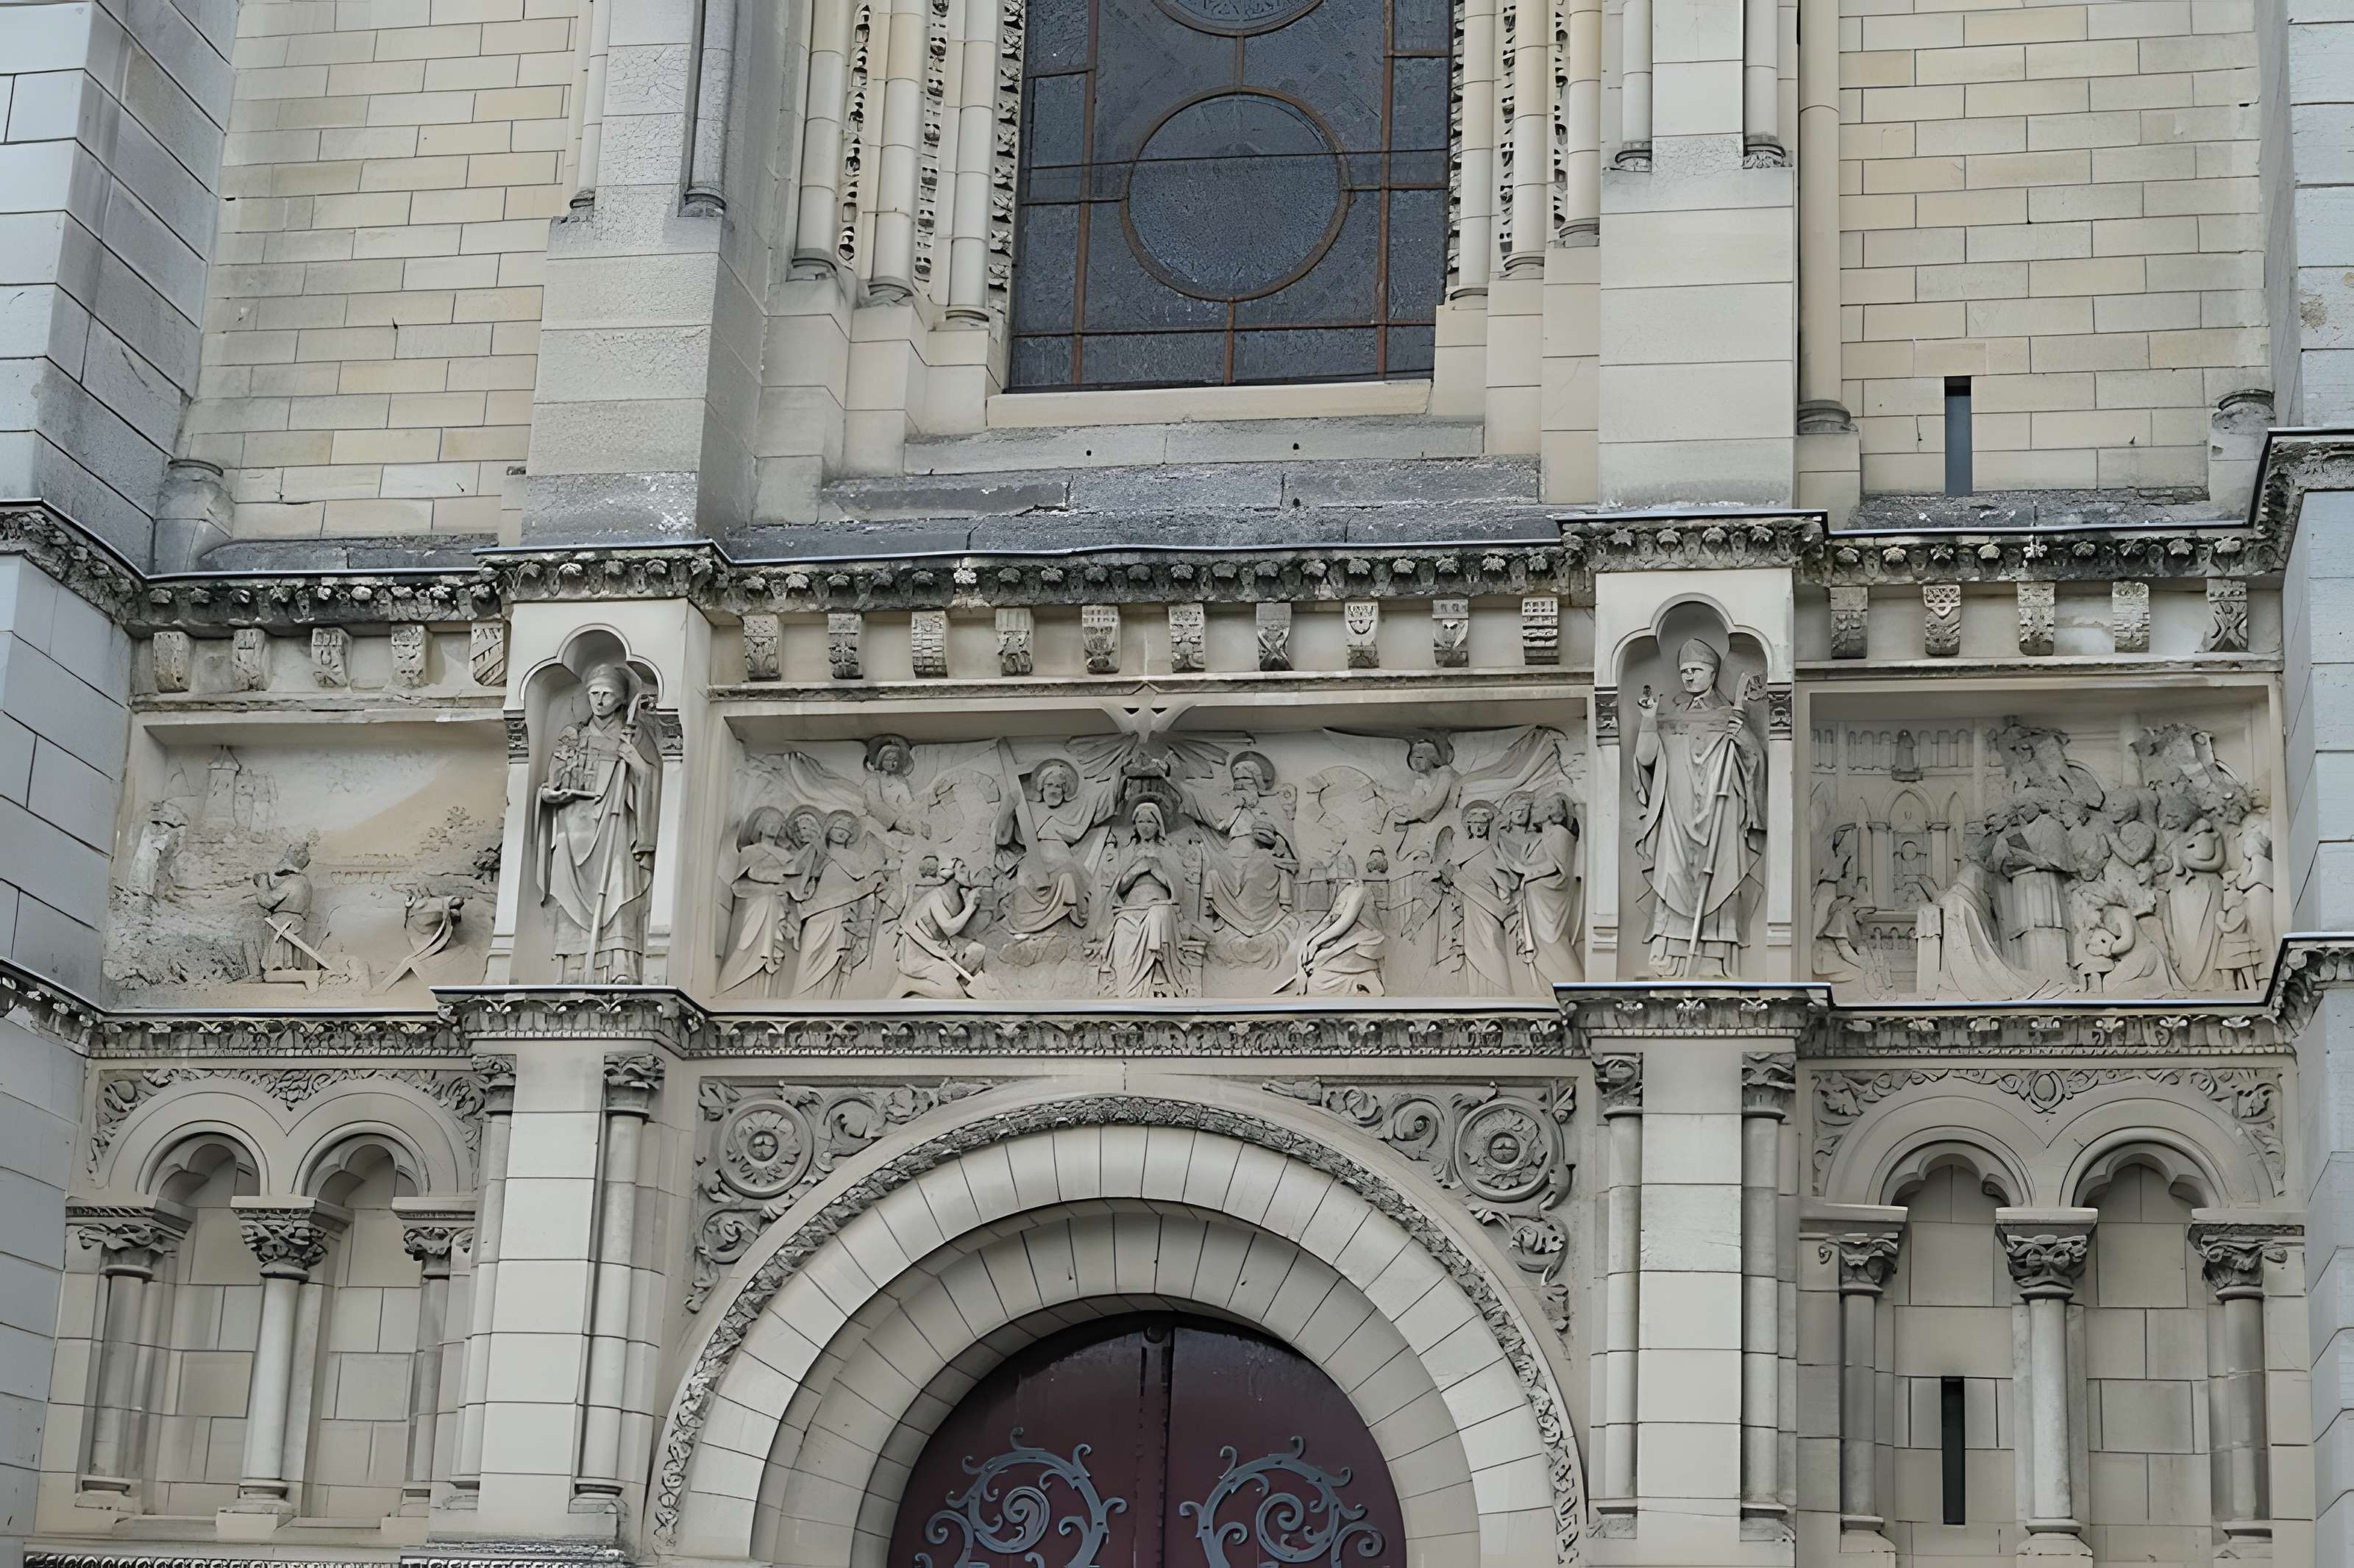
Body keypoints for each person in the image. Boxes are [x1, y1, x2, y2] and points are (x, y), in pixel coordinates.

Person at [1632, 638, 1764, 977]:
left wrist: (1744, 737)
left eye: (1696, 671)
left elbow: (1753, 762)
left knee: (1721, 872)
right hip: (1677, 812)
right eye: (1684, 672)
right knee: (1672, 874)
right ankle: (1671, 957)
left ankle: (1715, 960)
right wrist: (1648, 720)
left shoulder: (1729, 713)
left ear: (1713, 672)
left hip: (1721, 811)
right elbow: (1647, 760)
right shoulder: (1669, 714)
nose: (1688, 677)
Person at [538, 663, 656, 983]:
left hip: (615, 823)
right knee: (563, 872)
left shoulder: (634, 734)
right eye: (594, 694)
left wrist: (636, 763)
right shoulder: (572, 735)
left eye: (607, 694)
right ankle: (573, 968)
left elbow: (652, 779)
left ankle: (620, 966)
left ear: (620, 700)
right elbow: (553, 780)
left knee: (619, 875)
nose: (600, 700)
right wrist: (550, 794)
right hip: (574, 824)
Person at [891, 856, 989, 999]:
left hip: (941, 945)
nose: (968, 871)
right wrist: (970, 907)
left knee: (978, 951)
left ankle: (958, 982)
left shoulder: (956, 896)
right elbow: (949, 927)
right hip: (919, 951)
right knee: (956, 997)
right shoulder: (935, 897)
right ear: (950, 875)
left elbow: (951, 930)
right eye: (962, 868)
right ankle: (909, 984)